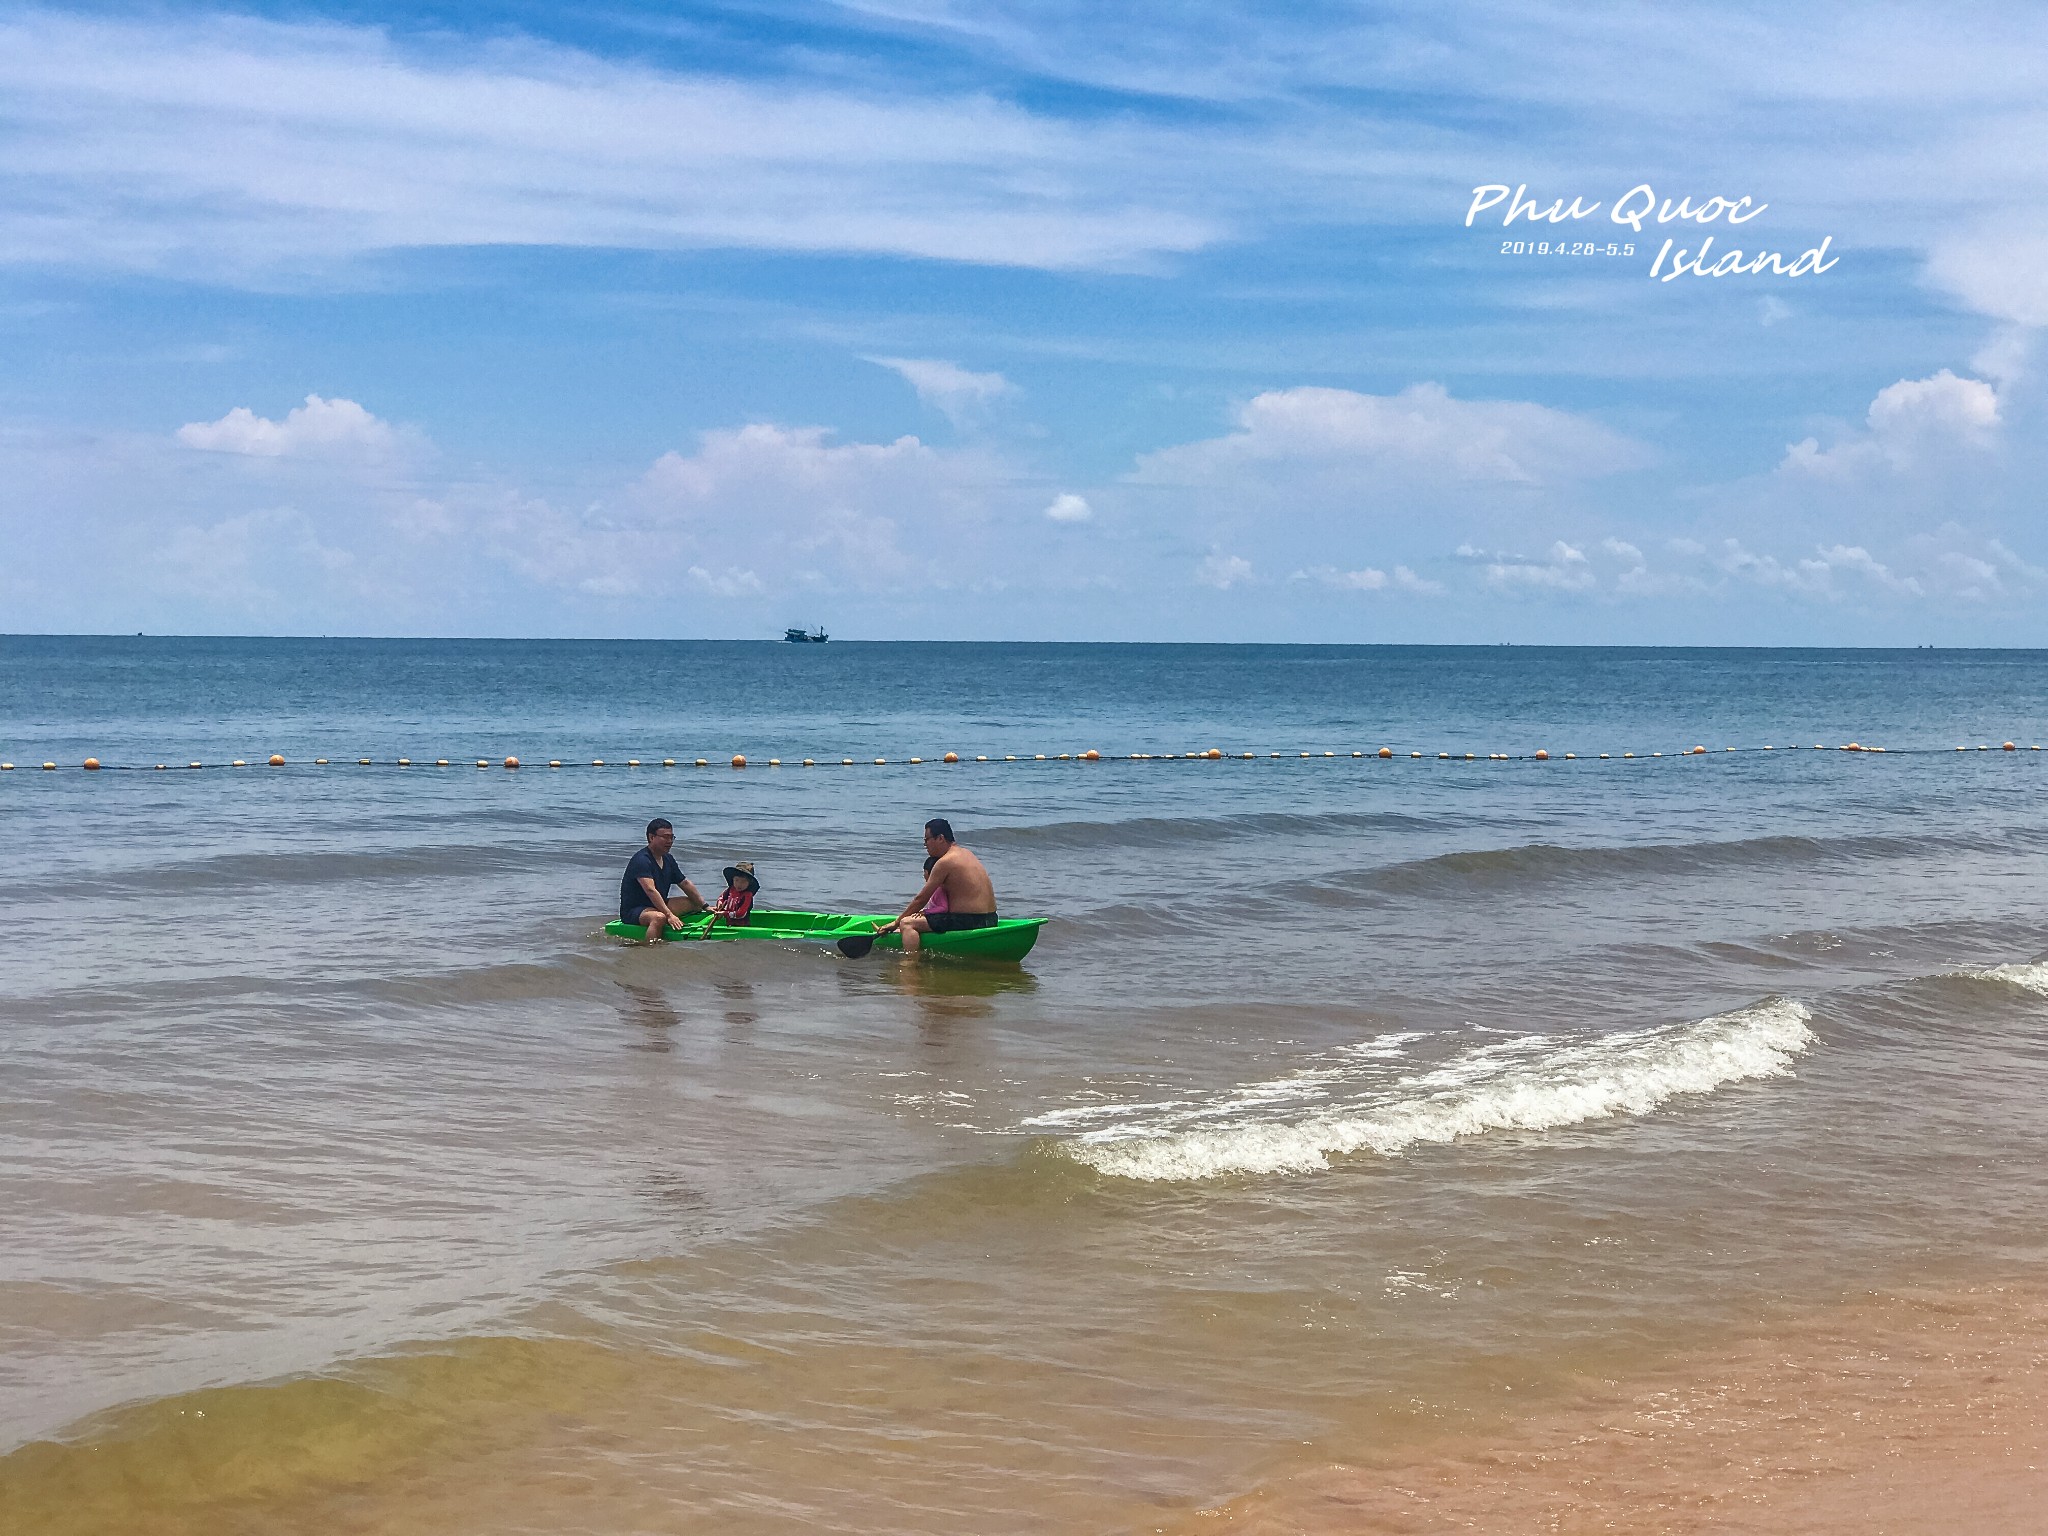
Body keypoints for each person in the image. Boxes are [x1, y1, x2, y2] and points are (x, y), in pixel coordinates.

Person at [880, 818, 996, 953]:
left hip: (970, 921)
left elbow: (921, 899)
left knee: (907, 923)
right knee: (920, 919)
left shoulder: (945, 862)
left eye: (927, 840)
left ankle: (910, 966)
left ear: (940, 838)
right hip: (991, 918)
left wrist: (896, 923)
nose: (925, 845)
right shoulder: (966, 853)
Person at [620, 818, 706, 943]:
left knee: (695, 904)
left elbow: (684, 883)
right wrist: (669, 915)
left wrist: (706, 906)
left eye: (672, 837)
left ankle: (680, 930)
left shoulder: (668, 859)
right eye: (665, 837)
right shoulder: (641, 860)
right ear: (651, 837)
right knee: (659, 918)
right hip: (635, 910)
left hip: (658, 904)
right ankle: (650, 949)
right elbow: (650, 890)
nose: (669, 841)